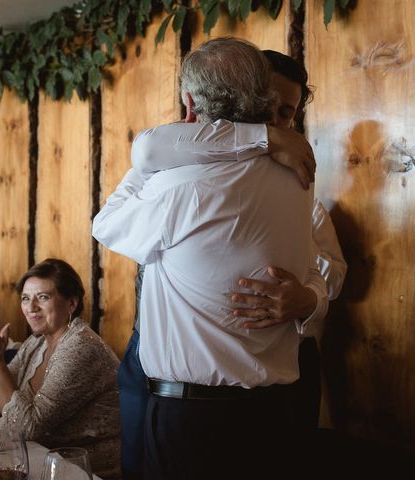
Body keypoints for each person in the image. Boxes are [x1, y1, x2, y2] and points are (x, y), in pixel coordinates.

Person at [93, 37, 328, 479]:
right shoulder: (299, 180)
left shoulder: (179, 185)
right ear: (264, 100)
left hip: (194, 417)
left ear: (188, 104)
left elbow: (106, 222)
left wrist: (151, 170)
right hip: (269, 414)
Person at [0, 259, 121, 479]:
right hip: (44, 459)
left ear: (71, 304)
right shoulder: (36, 342)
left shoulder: (81, 347)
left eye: (43, 297)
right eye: (26, 299)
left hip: (84, 470)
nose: (31, 307)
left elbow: (26, 428)